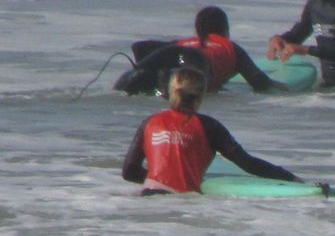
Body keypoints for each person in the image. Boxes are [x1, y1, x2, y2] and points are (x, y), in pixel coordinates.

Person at [120, 69, 302, 195]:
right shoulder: (208, 126)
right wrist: (290, 178)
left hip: (147, 199)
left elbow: (129, 171)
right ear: (201, 94)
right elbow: (248, 164)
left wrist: (160, 181)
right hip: (181, 204)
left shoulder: (150, 122)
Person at [116, 6, 285, 96]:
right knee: (185, 88)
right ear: (225, 30)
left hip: (172, 60)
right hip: (195, 64)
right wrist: (281, 87)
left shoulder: (185, 42)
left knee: (140, 83)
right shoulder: (231, 47)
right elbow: (259, 83)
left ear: (197, 30)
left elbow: (139, 47)